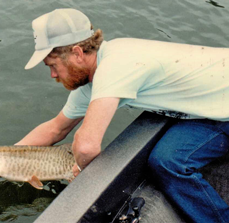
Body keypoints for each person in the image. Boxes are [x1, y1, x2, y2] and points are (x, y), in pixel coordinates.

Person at [15, 8, 229, 223]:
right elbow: (56, 128)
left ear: (77, 53)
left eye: (53, 66)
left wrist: (79, 170)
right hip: (208, 110)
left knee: (170, 163)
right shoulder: (94, 78)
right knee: (165, 158)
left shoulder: (115, 66)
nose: (53, 75)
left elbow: (87, 146)